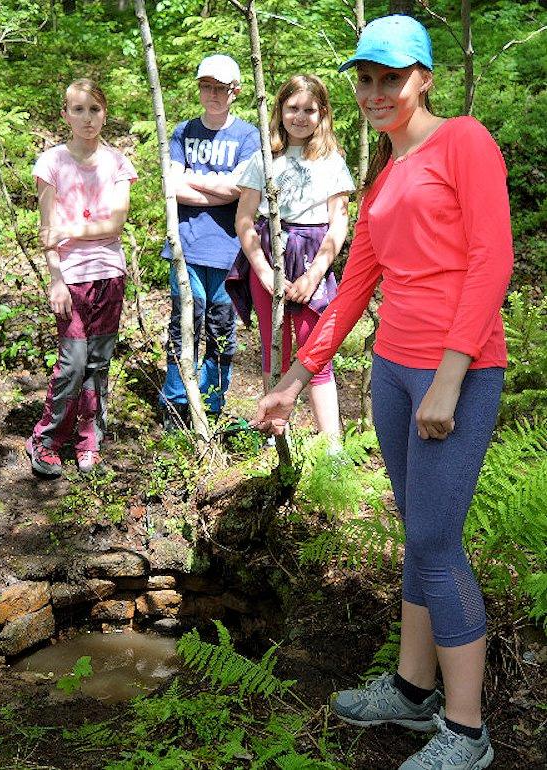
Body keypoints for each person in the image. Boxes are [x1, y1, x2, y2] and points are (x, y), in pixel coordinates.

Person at [253, 16, 512, 770]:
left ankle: (466, 735)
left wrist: (452, 374)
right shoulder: (383, 175)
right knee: (417, 537)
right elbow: (352, 287)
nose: (374, 92)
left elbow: (492, 258)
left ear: (421, 78)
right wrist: (295, 377)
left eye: (390, 78)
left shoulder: (463, 140)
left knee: (436, 545)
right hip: (392, 371)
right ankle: (409, 689)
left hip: (453, 374)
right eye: (364, 79)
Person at [25, 78, 137, 477]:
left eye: (94, 109)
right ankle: (47, 439)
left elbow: (116, 222)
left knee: (98, 362)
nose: (87, 118)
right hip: (71, 277)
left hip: (109, 273)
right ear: (65, 114)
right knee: (72, 362)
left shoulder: (118, 164)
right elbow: (46, 228)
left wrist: (70, 231)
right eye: (78, 109)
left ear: (105, 113)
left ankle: (90, 439)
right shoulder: (51, 163)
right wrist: (55, 279)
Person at [231, 74, 352, 441]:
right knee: (275, 348)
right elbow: (244, 220)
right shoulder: (264, 158)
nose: (300, 116)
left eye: (309, 109)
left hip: (313, 257)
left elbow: (338, 224)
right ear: (280, 110)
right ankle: (274, 434)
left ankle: (331, 445)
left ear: (322, 114)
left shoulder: (332, 160)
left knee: (315, 351)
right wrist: (266, 273)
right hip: (270, 255)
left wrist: (314, 275)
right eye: (292, 108)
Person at [159, 54, 261, 428]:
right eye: (207, 86)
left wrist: (198, 181)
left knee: (220, 327)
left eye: (221, 88)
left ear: (235, 91)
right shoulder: (183, 132)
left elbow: (240, 188)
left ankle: (211, 403)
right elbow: (171, 185)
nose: (213, 94)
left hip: (229, 249)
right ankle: (175, 400)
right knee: (183, 322)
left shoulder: (248, 135)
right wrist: (220, 190)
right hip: (186, 244)